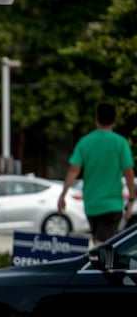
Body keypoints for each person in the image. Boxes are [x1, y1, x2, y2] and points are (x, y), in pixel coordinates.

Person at [58, 102, 136, 244]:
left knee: (100, 242)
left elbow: (73, 170)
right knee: (104, 245)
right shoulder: (120, 143)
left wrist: (63, 195)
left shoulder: (85, 142)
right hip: (113, 204)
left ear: (96, 118)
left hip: (92, 204)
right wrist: (131, 198)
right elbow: (129, 172)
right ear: (115, 119)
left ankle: (101, 264)